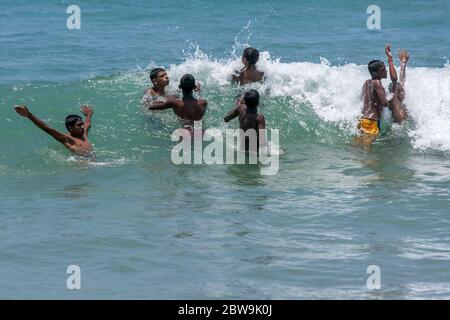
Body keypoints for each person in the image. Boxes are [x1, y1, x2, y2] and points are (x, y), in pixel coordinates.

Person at [14, 105, 94, 156]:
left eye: (82, 124)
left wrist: (89, 114)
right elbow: (48, 129)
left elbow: (87, 123)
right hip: (82, 165)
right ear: (70, 128)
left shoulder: (84, 134)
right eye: (79, 125)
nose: (82, 126)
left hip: (93, 161)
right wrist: (29, 115)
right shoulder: (67, 139)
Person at [356, 45, 395, 146]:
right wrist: (391, 96)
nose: (386, 71)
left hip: (363, 118)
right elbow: (384, 103)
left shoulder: (366, 83)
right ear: (376, 72)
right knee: (367, 148)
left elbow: (363, 99)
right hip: (371, 121)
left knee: (359, 145)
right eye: (383, 69)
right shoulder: (377, 82)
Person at [387, 47, 410, 123]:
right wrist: (390, 59)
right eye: (401, 91)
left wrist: (403, 64)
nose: (404, 92)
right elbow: (394, 80)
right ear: (395, 92)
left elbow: (402, 80)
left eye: (403, 90)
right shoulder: (393, 101)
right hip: (397, 130)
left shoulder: (400, 101)